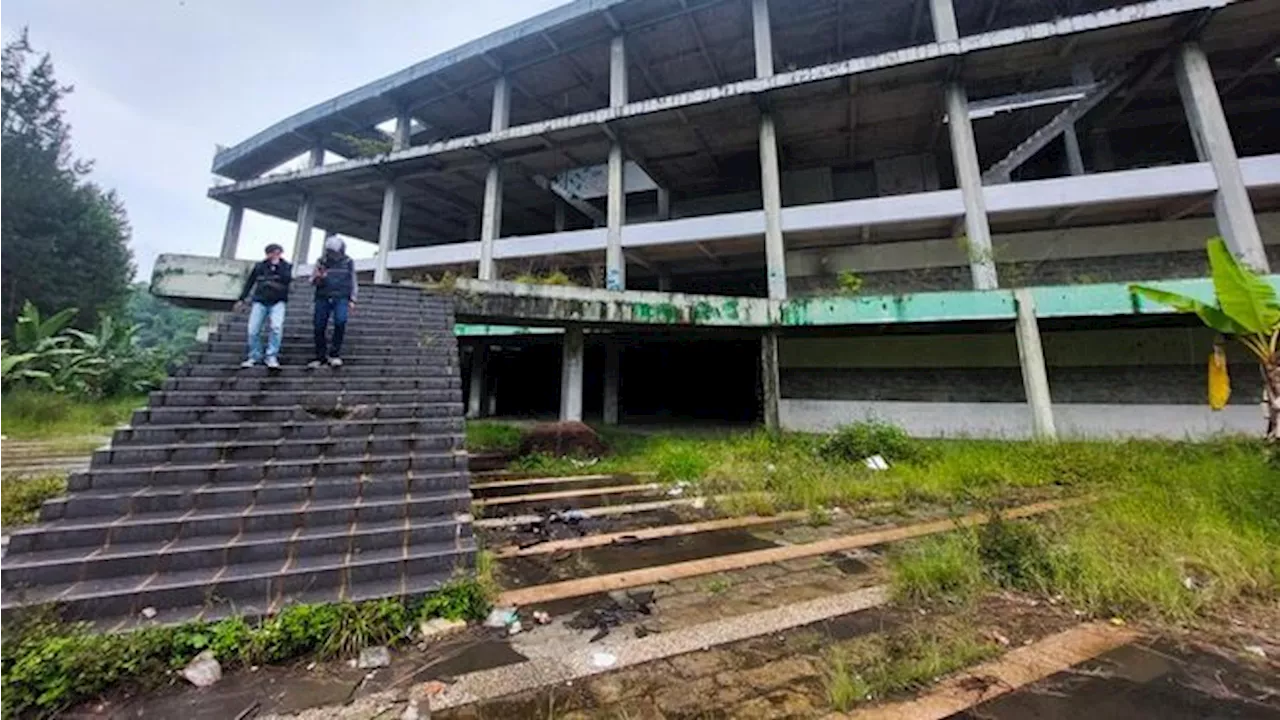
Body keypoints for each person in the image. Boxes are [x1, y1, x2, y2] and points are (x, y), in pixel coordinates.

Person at [235, 243, 292, 370]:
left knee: (276, 327)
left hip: (278, 301)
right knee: (253, 330)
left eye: (278, 253)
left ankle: (271, 355)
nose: (275, 256)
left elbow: (287, 279)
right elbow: (250, 282)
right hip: (260, 300)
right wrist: (242, 299)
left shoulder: (285, 266)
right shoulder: (260, 266)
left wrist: (277, 267)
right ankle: (255, 355)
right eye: (272, 253)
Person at [310, 233, 358, 368]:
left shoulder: (348, 262)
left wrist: (353, 298)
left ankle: (334, 353)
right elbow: (312, 281)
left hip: (341, 297)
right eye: (330, 252)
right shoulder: (321, 261)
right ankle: (320, 355)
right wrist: (319, 277)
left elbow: (353, 280)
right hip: (323, 297)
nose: (333, 255)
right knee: (319, 326)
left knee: (340, 321)